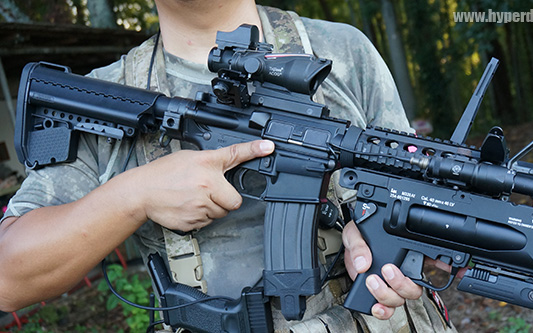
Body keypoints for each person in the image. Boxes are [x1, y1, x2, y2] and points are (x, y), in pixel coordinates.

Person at [0, 0, 457, 331]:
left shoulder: (343, 53)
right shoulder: (105, 95)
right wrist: (133, 195)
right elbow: (8, 276)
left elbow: (415, 193)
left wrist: (384, 233)